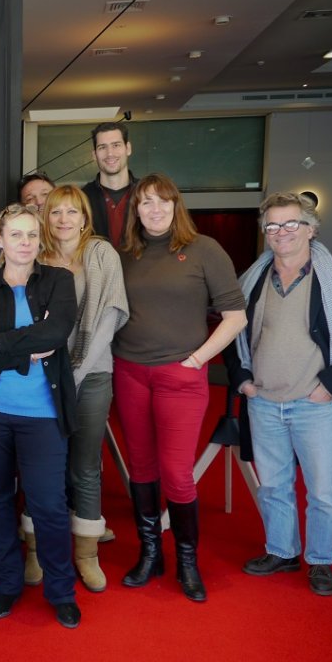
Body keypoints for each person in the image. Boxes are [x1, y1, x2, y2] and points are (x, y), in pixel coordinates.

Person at [113, 173, 246, 603]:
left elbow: (235, 317)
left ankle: (187, 560)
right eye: (145, 202)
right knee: (142, 468)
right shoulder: (125, 253)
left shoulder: (205, 250)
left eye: (162, 202)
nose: (154, 209)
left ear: (176, 205)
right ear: (135, 210)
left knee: (176, 473)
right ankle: (152, 554)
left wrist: (197, 359)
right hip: (130, 372)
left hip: (181, 376)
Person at [0, 203, 81, 628]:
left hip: (44, 416)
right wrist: (27, 346)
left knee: (48, 504)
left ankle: (61, 591)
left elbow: (56, 333)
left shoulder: (59, 282)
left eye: (32, 235)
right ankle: (7, 585)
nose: (25, 243)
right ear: (0, 240)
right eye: (16, 235)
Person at [227, 192, 332, 597]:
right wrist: (242, 380)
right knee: (273, 486)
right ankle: (282, 551)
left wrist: (329, 387)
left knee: (324, 490)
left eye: (291, 224)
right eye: (272, 226)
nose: (281, 233)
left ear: (310, 228)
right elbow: (231, 331)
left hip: (315, 403)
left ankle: (321, 560)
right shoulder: (251, 281)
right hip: (264, 400)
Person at [38, 185, 129, 592]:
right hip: (42, 377)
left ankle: (87, 555)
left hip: (91, 375)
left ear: (84, 216)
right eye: (56, 212)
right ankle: (39, 549)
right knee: (45, 466)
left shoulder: (101, 254)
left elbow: (109, 319)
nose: (63, 220)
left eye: (72, 212)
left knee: (85, 465)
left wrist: (75, 373)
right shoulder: (37, 256)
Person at [82, 121, 139, 247]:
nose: (110, 153)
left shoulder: (147, 193)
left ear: (128, 148)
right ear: (94, 155)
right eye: (102, 147)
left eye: (116, 145)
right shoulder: (82, 198)